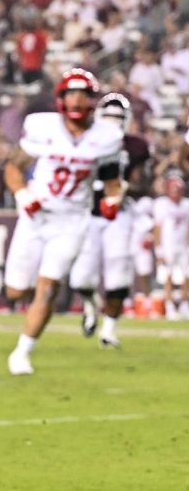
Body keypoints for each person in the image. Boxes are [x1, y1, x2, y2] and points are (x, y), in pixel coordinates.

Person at [4, 68, 123, 375]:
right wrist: (22, 195)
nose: (78, 101)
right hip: (36, 216)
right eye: (72, 94)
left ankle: (21, 353)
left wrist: (113, 201)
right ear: (61, 99)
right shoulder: (43, 128)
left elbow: (112, 183)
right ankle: (30, 309)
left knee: (48, 289)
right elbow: (13, 169)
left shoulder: (107, 138)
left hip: (72, 221)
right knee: (15, 292)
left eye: (84, 95)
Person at [67, 93, 151, 348]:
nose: (113, 122)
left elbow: (142, 183)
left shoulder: (135, 146)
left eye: (118, 118)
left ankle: (109, 330)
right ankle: (91, 303)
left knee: (118, 275)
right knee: (80, 278)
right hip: (88, 214)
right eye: (109, 117)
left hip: (119, 215)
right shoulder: (84, 140)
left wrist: (125, 187)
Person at [152, 174, 189, 320]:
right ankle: (169, 306)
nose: (176, 192)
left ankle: (185, 304)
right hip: (168, 246)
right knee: (167, 276)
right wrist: (158, 249)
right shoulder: (161, 204)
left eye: (179, 190)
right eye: (174, 189)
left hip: (183, 246)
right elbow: (157, 228)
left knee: (187, 275)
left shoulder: (186, 204)